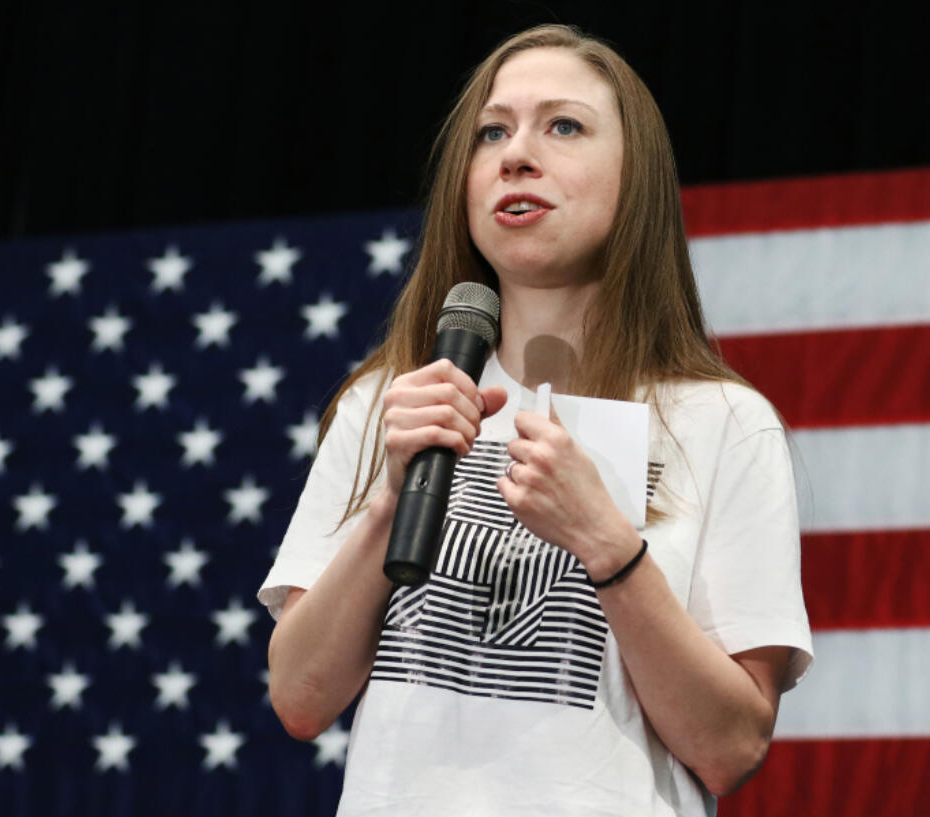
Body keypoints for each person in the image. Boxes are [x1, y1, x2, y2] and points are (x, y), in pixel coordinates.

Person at [258, 23, 813, 817]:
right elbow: (301, 698)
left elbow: (730, 750)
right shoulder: (390, 402)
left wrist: (610, 547)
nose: (517, 154)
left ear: (638, 180)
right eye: (493, 132)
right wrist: (389, 502)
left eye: (563, 126)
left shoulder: (722, 422)